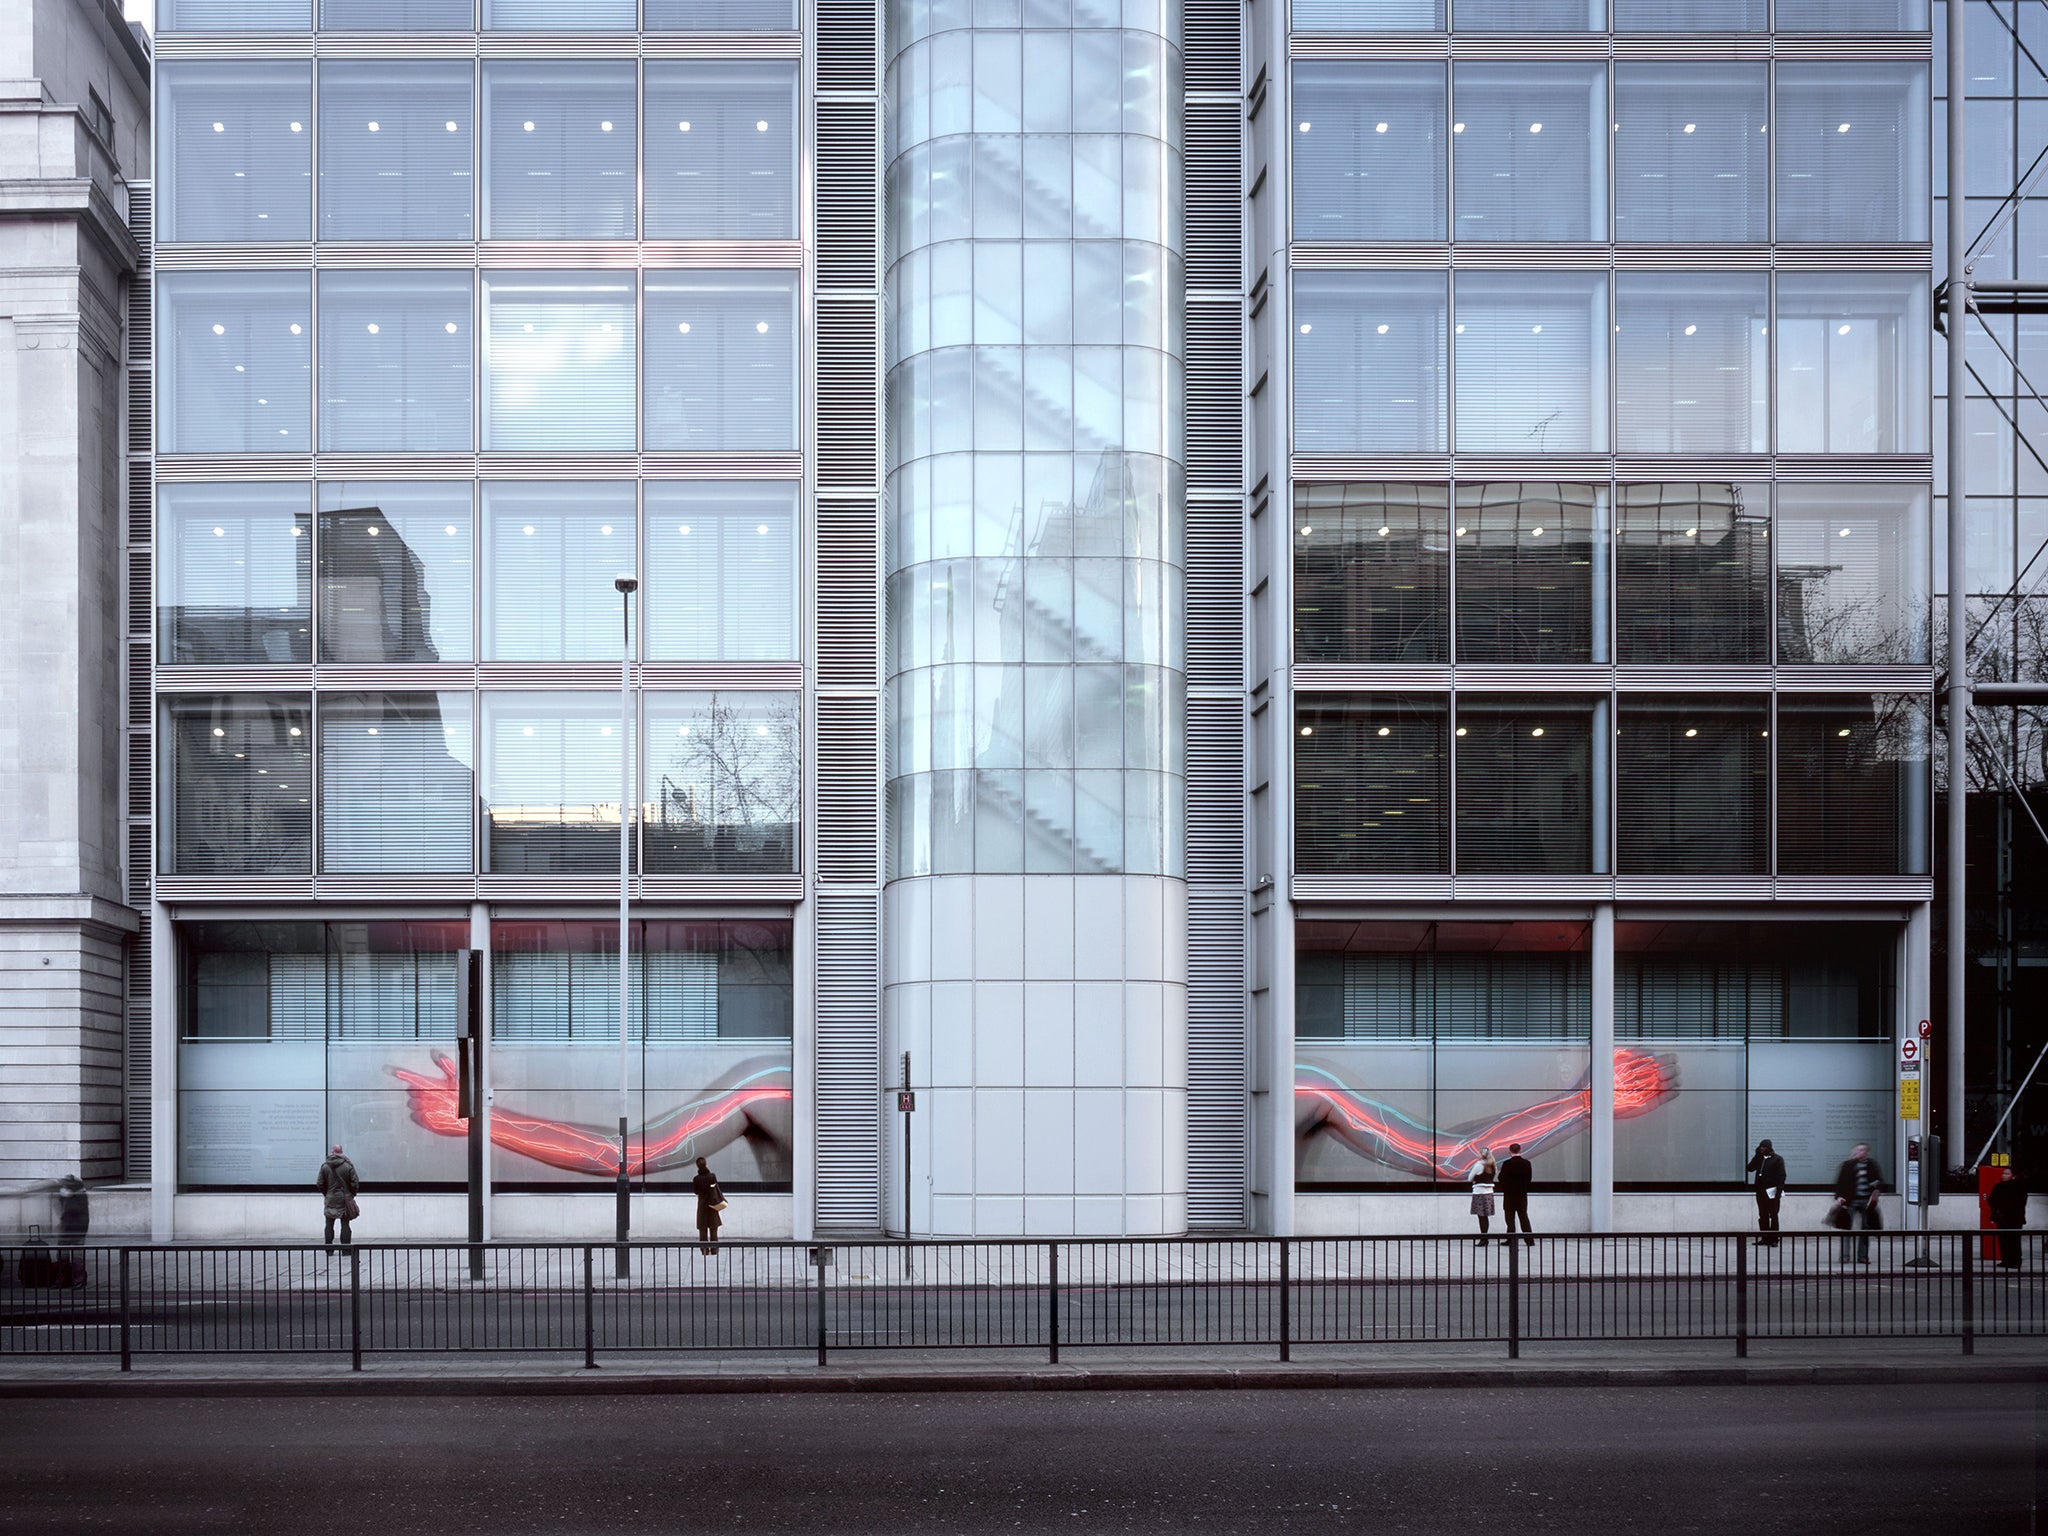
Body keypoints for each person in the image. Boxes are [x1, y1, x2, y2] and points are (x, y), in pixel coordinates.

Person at [1830, 1142, 1884, 1264]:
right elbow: (1840, 1182)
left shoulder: (1872, 1165)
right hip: (1850, 1201)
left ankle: (1863, 1256)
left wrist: (1877, 1190)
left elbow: (1879, 1180)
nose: (1860, 1152)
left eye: (1862, 1150)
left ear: (1867, 1152)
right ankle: (1844, 1256)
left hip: (1866, 1201)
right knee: (1846, 1228)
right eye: (1858, 1150)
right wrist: (1839, 1197)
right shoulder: (1848, 1165)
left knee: (1865, 1229)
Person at [317, 1144, 359, 1253]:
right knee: (345, 1224)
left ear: (333, 1152)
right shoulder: (348, 1166)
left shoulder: (325, 1166)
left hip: (330, 1198)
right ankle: (346, 1250)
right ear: (341, 1152)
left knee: (329, 1224)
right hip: (344, 1198)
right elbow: (355, 1182)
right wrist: (351, 1194)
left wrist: (327, 1193)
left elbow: (320, 1183)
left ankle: (329, 1250)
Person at [1746, 1139, 1787, 1248]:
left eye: (1764, 1147)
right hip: (1760, 1191)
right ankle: (1765, 1237)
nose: (1761, 1149)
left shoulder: (1777, 1159)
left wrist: (1779, 1190)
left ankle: (1774, 1239)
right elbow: (1750, 1168)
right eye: (1760, 1147)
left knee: (1773, 1215)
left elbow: (1781, 1175)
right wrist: (1756, 1156)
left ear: (1769, 1148)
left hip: (1772, 1192)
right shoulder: (1759, 1158)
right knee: (1762, 1215)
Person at [1988, 1167, 2029, 1271]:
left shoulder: (2019, 1187)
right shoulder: (1999, 1186)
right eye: (2003, 1173)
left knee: (2014, 1240)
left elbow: (2020, 1202)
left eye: (2007, 1174)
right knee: (2004, 1240)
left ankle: (2015, 1261)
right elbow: (1991, 1199)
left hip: (2014, 1218)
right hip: (2002, 1217)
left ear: (2013, 1176)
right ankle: (2006, 1260)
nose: (2004, 1176)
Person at [1498, 1143, 1534, 1246]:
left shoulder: (1507, 1164)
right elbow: (1529, 1179)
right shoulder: (1527, 1163)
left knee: (1510, 1217)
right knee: (1523, 1216)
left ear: (1510, 1152)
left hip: (1509, 1195)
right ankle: (1529, 1240)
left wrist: (1506, 1188)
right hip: (1522, 1195)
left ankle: (1510, 1239)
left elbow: (1501, 1178)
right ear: (1520, 1150)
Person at [692, 1155, 725, 1256]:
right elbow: (715, 1188)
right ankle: (714, 1249)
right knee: (713, 1228)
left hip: (702, 1206)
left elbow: (696, 1191)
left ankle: (704, 1250)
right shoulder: (712, 1176)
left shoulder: (696, 1179)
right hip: (712, 1205)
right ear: (706, 1164)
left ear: (697, 1166)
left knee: (703, 1229)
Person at [1468, 1148, 1498, 1247]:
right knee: (1485, 1216)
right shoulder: (1493, 1165)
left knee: (1481, 1217)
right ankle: (1485, 1237)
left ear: (1482, 1155)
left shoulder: (1479, 1165)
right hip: (1489, 1192)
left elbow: (1470, 1177)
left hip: (1479, 1192)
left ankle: (1483, 1238)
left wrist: (1474, 1180)